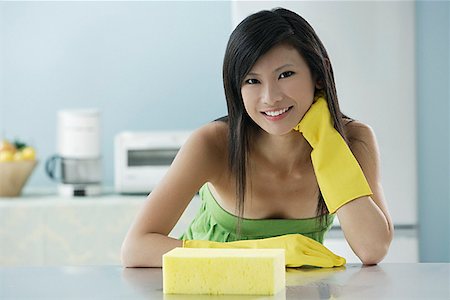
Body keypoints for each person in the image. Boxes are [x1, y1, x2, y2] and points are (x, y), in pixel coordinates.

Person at [121, 8, 393, 268]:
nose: (270, 97)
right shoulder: (212, 144)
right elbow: (136, 248)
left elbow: (372, 249)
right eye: (252, 81)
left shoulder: (354, 140)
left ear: (318, 75)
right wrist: (263, 254)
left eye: (286, 74)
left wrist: (326, 143)